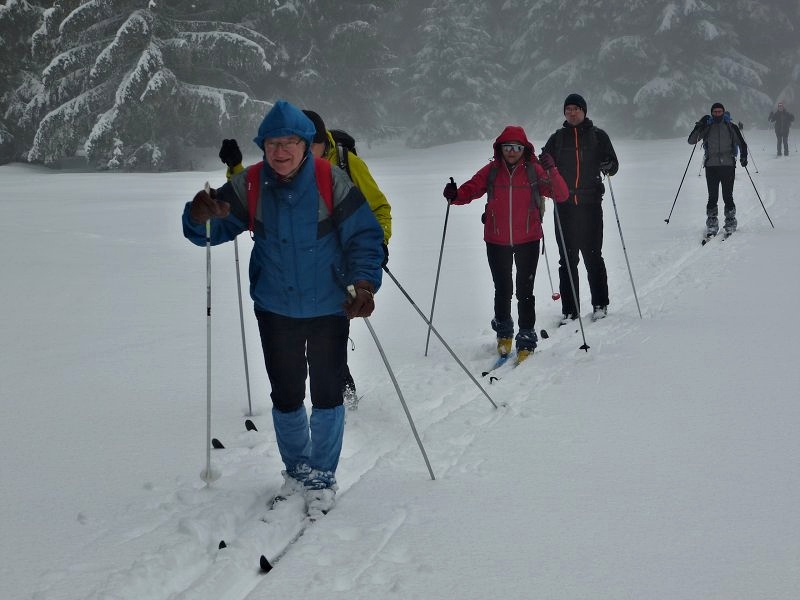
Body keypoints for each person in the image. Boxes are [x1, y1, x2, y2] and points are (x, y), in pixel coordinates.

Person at [184, 100, 384, 517]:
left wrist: (364, 283)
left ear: (304, 143)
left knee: (327, 393)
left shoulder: (332, 180)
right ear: (263, 146)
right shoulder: (251, 185)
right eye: (272, 143)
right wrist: (197, 214)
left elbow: (364, 236)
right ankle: (296, 472)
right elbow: (208, 230)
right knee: (287, 394)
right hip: (275, 307)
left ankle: (322, 476)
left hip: (330, 305)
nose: (280, 151)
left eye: (290, 142)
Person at [219, 110, 393, 410]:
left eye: (305, 144)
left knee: (333, 332)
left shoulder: (347, 164)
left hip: (338, 266)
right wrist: (235, 167)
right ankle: (324, 395)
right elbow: (250, 195)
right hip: (291, 275)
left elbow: (378, 206)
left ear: (319, 143)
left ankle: (338, 391)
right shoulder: (285, 171)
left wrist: (379, 242)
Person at [442, 125, 568, 365]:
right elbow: (471, 189)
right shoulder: (492, 171)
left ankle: (527, 336)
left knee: (524, 291)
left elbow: (560, 194)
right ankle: (504, 331)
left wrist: (552, 169)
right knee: (502, 288)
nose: (511, 152)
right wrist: (454, 195)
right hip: (496, 239)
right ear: (500, 148)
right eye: (507, 147)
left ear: (524, 149)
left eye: (517, 147)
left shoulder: (535, 171)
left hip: (528, 239)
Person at [542, 93, 619, 324]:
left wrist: (608, 165)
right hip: (564, 207)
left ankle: (600, 304)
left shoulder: (598, 136)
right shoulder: (557, 138)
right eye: (568, 109)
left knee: (593, 256)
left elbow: (614, 165)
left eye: (575, 109)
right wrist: (543, 165)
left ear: (584, 111)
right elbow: (540, 165)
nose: (572, 113)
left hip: (591, 206)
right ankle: (570, 309)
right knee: (567, 259)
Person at [688, 101, 748, 238]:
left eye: (719, 112)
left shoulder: (731, 126)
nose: (717, 114)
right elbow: (691, 141)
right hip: (711, 166)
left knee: (728, 196)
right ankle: (712, 225)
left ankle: (731, 223)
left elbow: (742, 144)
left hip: (728, 165)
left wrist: (743, 158)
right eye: (714, 112)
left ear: (723, 112)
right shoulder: (707, 127)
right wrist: (699, 125)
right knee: (712, 197)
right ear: (711, 113)